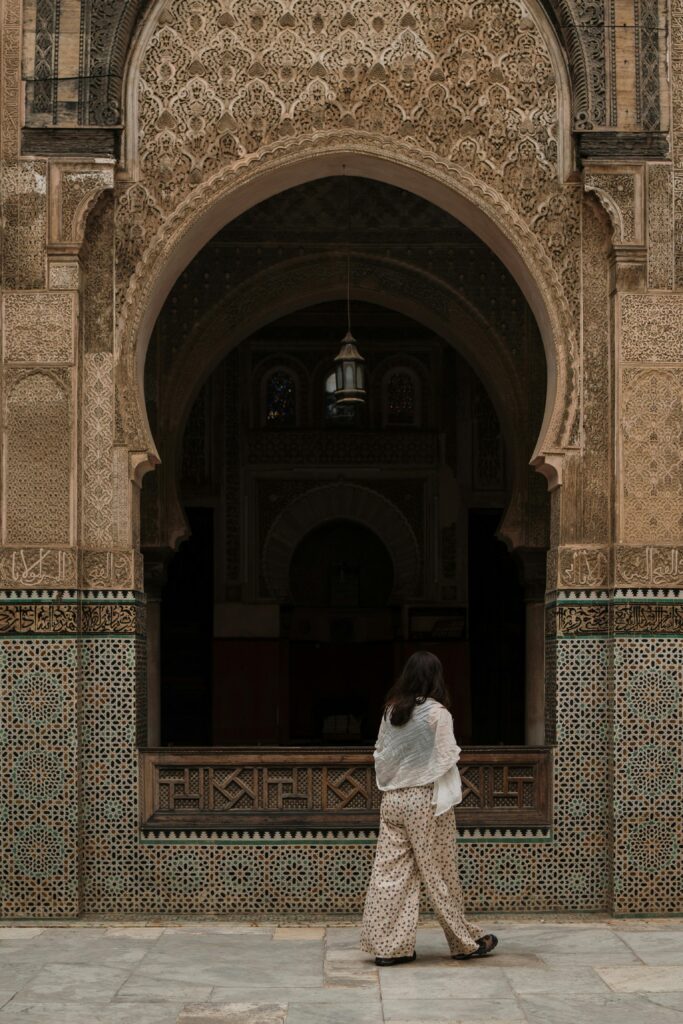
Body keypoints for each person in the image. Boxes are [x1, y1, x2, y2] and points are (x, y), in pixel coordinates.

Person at [360, 651, 498, 966]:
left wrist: (403, 775)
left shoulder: (391, 711)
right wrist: (426, 771)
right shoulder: (438, 714)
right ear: (436, 678)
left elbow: (381, 753)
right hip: (424, 802)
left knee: (390, 874)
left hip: (392, 800)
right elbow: (448, 755)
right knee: (439, 873)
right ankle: (464, 943)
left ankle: (389, 948)